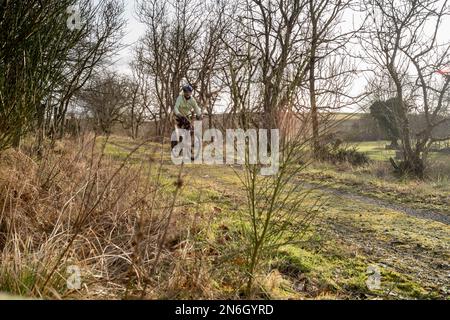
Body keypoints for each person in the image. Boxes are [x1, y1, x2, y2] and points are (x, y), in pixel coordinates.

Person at [172, 85, 202, 150]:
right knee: (179, 129)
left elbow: (196, 108)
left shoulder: (192, 100)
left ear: (191, 92)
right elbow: (176, 107)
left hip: (187, 116)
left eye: (189, 92)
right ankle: (177, 143)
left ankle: (192, 143)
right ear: (184, 92)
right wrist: (178, 114)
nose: (187, 93)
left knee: (191, 129)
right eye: (186, 91)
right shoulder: (180, 98)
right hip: (179, 115)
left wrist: (199, 115)